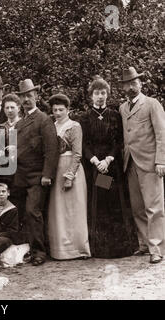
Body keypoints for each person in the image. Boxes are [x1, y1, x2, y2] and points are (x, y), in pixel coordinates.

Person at [79, 76, 138, 259]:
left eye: (103, 93)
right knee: (99, 204)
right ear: (91, 96)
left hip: (111, 166)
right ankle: (101, 248)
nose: (100, 96)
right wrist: (96, 161)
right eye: (96, 93)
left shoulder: (115, 115)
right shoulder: (85, 118)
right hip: (95, 167)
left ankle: (119, 248)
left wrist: (108, 159)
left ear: (108, 94)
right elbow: (84, 144)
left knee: (115, 203)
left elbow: (119, 140)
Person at [10, 79, 59, 266]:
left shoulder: (44, 120)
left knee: (33, 212)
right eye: (23, 97)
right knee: (22, 213)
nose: (26, 100)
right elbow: (15, 151)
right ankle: (28, 249)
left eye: (29, 95)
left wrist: (47, 174)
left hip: (38, 176)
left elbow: (51, 150)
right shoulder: (19, 124)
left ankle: (40, 251)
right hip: (21, 176)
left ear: (36, 96)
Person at [119, 67, 165, 264]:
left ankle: (157, 248)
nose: (130, 87)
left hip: (150, 163)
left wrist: (161, 160)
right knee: (137, 208)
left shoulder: (152, 104)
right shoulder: (122, 108)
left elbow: (162, 134)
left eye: (134, 83)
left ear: (141, 83)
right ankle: (144, 244)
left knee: (154, 208)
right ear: (122, 87)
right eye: (127, 84)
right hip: (130, 163)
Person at [47, 93, 91, 260]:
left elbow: (78, 153)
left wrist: (70, 175)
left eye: (61, 109)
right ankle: (61, 251)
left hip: (72, 168)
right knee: (58, 211)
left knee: (74, 210)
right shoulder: (51, 126)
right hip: (55, 168)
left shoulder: (74, 126)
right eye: (55, 110)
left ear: (68, 110)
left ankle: (79, 249)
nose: (58, 113)